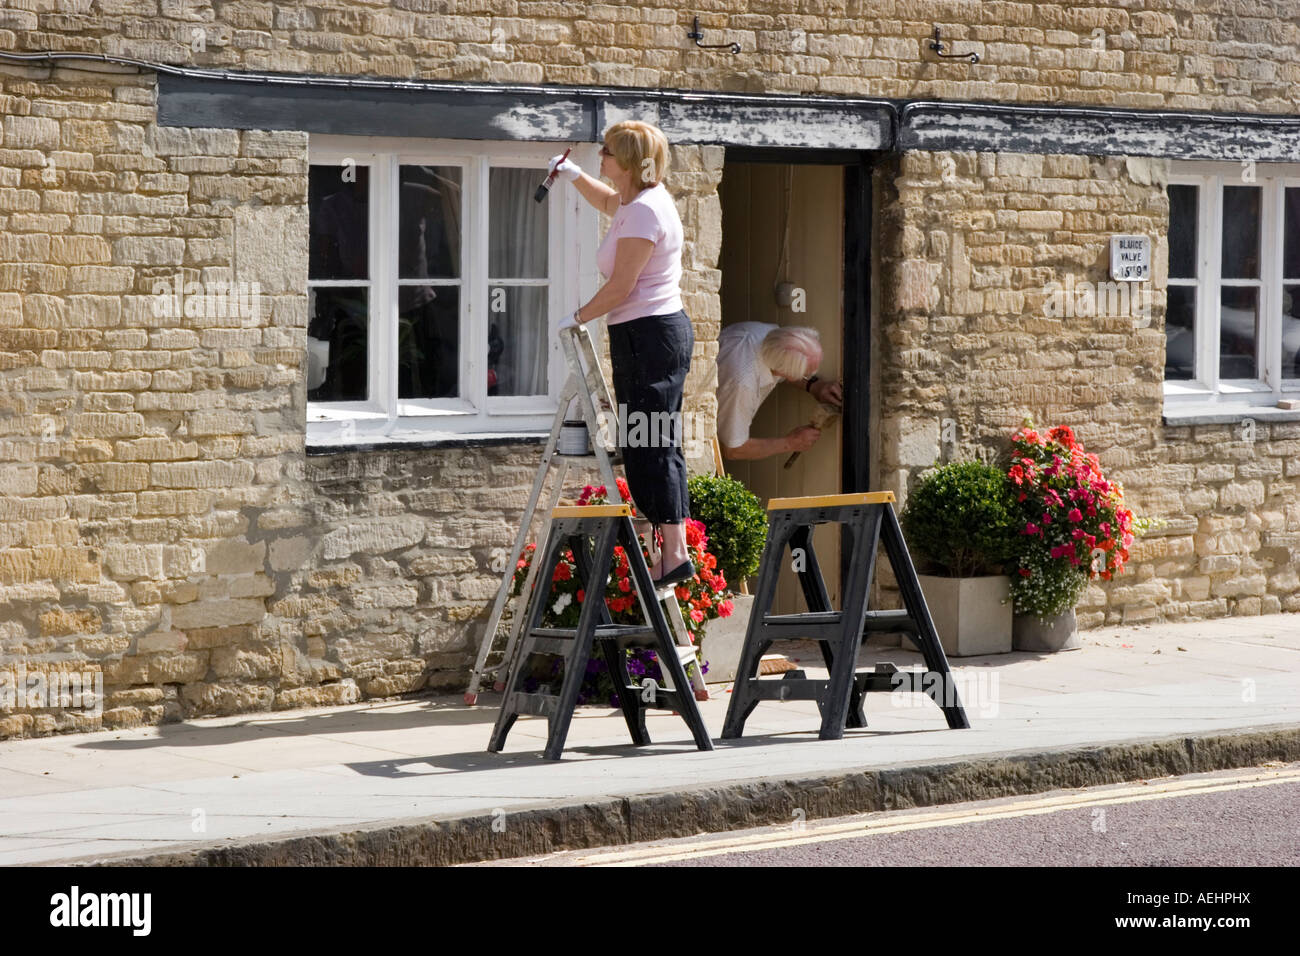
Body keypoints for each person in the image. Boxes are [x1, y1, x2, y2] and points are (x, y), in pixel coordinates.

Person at [548, 121, 696, 587]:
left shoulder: (647, 211)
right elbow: (609, 201)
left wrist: (577, 315)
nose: (601, 159)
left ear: (629, 162)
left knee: (651, 439)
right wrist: (570, 174)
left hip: (650, 336)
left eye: (607, 153)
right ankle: (670, 550)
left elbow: (621, 286)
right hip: (645, 335)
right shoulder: (635, 202)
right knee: (651, 437)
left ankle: (673, 553)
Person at [716, 322, 843, 460]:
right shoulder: (742, 386)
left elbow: (782, 369)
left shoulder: (773, 336)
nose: (809, 376)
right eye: (805, 374)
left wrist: (816, 386)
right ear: (784, 372)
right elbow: (733, 450)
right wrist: (790, 443)